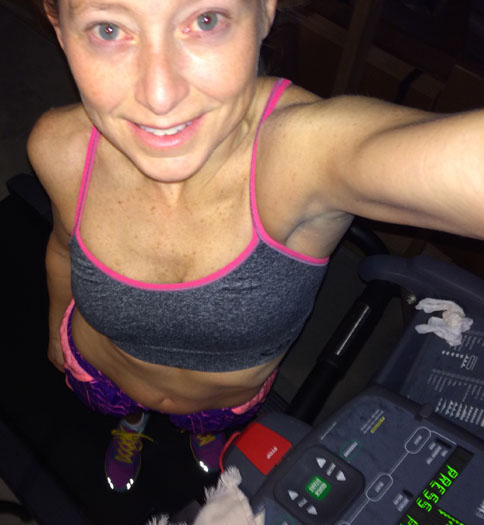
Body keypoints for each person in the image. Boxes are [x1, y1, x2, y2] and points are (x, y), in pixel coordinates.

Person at [27, 0, 484, 493]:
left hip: (223, 403)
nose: (159, 96)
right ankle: (131, 424)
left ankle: (203, 431)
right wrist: (54, 330)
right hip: (103, 375)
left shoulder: (306, 154)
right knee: (127, 411)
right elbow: (62, 249)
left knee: (205, 423)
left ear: (266, 10)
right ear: (59, 27)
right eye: (108, 29)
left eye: (205, 20)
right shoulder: (58, 146)